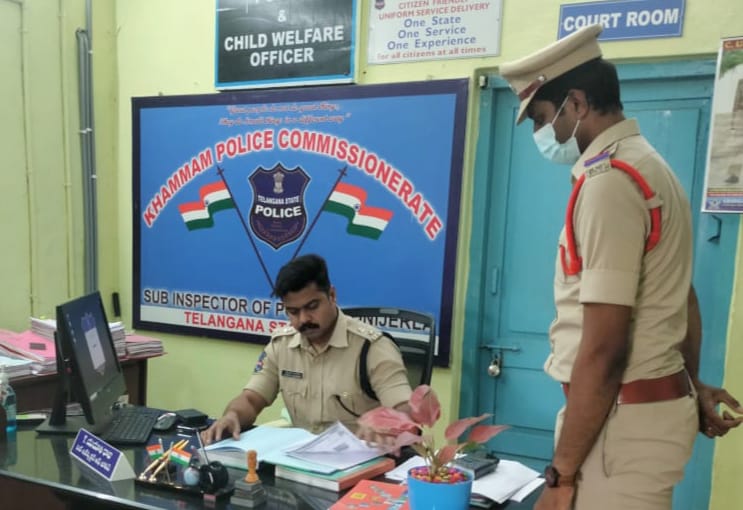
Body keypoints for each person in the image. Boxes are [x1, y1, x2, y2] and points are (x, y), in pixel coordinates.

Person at [499, 24, 743, 510]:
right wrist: (692, 383)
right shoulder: (649, 165)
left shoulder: (609, 182)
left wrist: (560, 479)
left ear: (577, 103)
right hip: (633, 414)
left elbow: (605, 347)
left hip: (622, 424)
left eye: (541, 118)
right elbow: (682, 296)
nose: (539, 133)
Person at [201, 253, 412, 444]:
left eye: (312, 307)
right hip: (302, 462)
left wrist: (385, 424)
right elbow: (251, 399)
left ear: (332, 295)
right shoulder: (281, 346)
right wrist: (232, 416)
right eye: (293, 311)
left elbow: (405, 410)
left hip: (362, 464)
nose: (303, 319)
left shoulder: (372, 347)